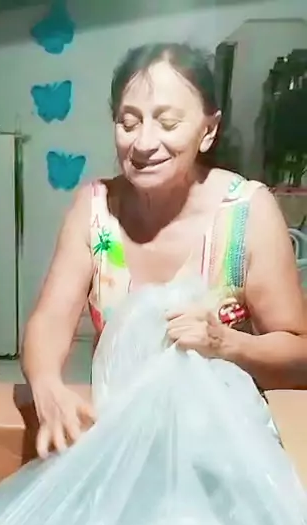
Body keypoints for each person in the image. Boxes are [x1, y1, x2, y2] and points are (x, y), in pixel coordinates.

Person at [22, 42, 307, 459]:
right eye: (128, 122)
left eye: (168, 123)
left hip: (219, 453)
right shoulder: (95, 210)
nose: (143, 143)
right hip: (120, 448)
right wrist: (46, 384)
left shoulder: (245, 213)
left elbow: (299, 351)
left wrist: (224, 343)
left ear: (208, 130)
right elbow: (50, 319)